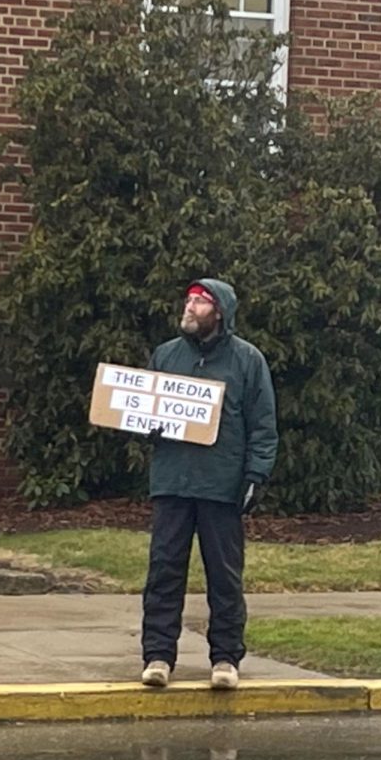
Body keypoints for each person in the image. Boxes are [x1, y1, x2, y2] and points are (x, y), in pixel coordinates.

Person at [141, 278, 278, 690]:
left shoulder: (248, 361)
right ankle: (158, 656)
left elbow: (263, 425)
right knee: (164, 571)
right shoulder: (166, 355)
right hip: (173, 483)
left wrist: (256, 475)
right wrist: (147, 424)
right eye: (188, 300)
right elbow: (143, 412)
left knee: (224, 576)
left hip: (222, 485)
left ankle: (225, 658)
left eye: (198, 303)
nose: (189, 308)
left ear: (219, 311)